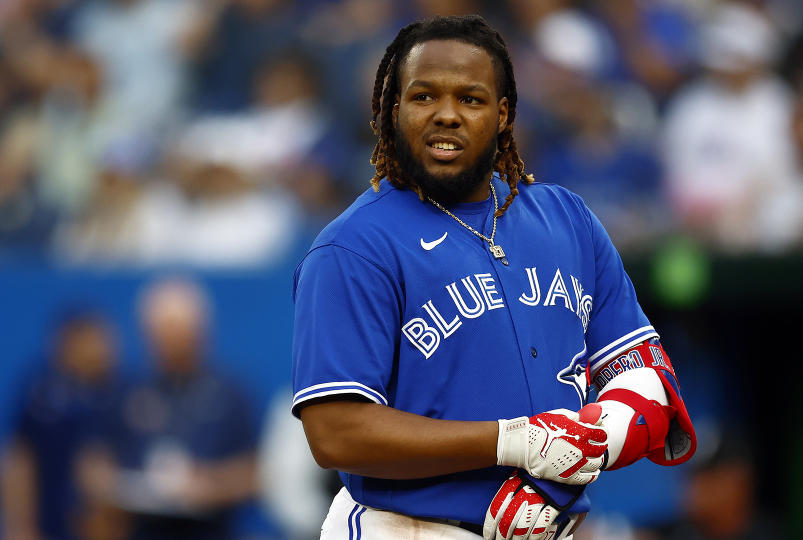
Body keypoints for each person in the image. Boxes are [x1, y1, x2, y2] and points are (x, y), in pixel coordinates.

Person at [291, 15, 697, 540]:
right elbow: (336, 434)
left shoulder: (566, 219)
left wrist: (564, 463)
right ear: (392, 112)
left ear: (503, 114)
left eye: (471, 99)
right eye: (423, 97)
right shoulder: (352, 247)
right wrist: (514, 442)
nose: (446, 115)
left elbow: (649, 383)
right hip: (409, 529)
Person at [105, 277, 258, 540]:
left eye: (178, 332)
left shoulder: (231, 393)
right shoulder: (125, 391)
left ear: (200, 332)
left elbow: (255, 473)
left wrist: (211, 486)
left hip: (211, 531)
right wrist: (116, 486)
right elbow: (95, 461)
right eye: (162, 333)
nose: (170, 343)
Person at [1, 306, 125, 540]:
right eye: (95, 341)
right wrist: (19, 527)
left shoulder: (122, 392)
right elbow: (19, 459)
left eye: (107, 341)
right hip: (47, 527)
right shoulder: (40, 392)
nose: (104, 349)